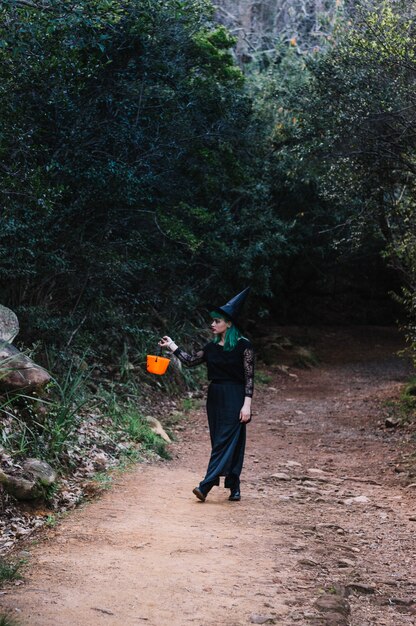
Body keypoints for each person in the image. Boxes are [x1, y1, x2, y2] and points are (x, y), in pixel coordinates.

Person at [158, 287, 254, 502]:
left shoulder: (244, 346)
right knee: (223, 441)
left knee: (225, 441)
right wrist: (172, 345)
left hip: (236, 395)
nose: (212, 324)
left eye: (217, 321)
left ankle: (206, 485)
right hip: (216, 396)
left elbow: (249, 377)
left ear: (228, 323)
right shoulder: (211, 347)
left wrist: (246, 404)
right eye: (212, 321)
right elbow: (190, 361)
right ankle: (234, 486)